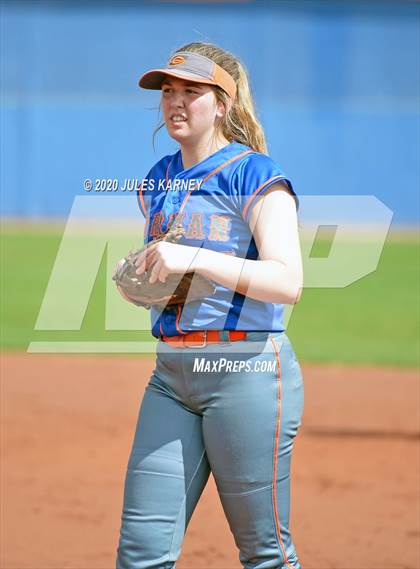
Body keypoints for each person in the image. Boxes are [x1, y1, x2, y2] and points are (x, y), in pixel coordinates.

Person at [116, 42, 304, 569]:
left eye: (191, 91)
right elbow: (182, 276)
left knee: (265, 554)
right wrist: (147, 281)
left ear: (222, 103)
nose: (175, 101)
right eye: (168, 91)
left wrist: (191, 255)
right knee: (141, 554)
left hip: (244, 372)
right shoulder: (157, 180)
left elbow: (287, 281)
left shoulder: (257, 175)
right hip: (171, 375)